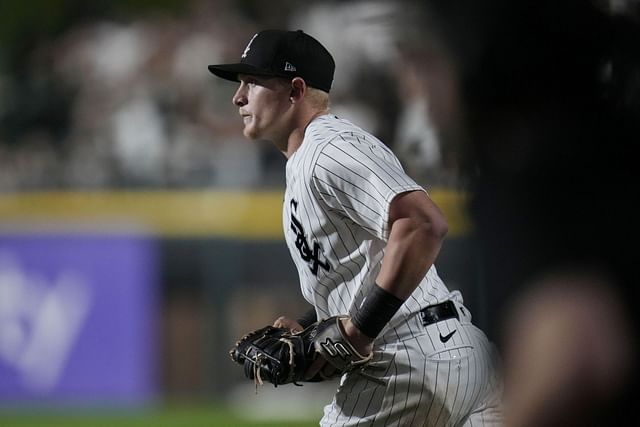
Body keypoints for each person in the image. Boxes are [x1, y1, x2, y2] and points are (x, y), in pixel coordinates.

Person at [208, 29, 503, 426]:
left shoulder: (328, 148)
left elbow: (423, 223)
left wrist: (359, 331)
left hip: (406, 360)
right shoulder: (307, 159)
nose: (238, 97)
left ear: (296, 90)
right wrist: (310, 324)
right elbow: (364, 266)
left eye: (253, 82)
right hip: (456, 354)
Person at [395, 1, 640, 425]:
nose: (420, 92)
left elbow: (577, 352)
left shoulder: (527, 167)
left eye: (431, 65)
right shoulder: (605, 149)